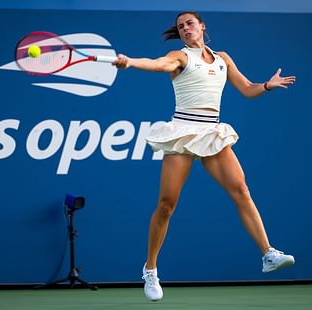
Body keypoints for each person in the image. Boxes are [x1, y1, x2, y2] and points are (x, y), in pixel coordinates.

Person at [112, 11, 296, 301]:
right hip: (183, 132)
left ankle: (268, 254)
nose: (185, 29)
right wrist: (131, 62)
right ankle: (150, 269)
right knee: (166, 205)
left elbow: (247, 89)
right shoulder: (180, 56)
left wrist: (267, 86)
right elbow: (160, 65)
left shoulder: (223, 58)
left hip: (212, 133)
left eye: (190, 24)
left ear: (202, 26)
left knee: (241, 190)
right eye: (181, 26)